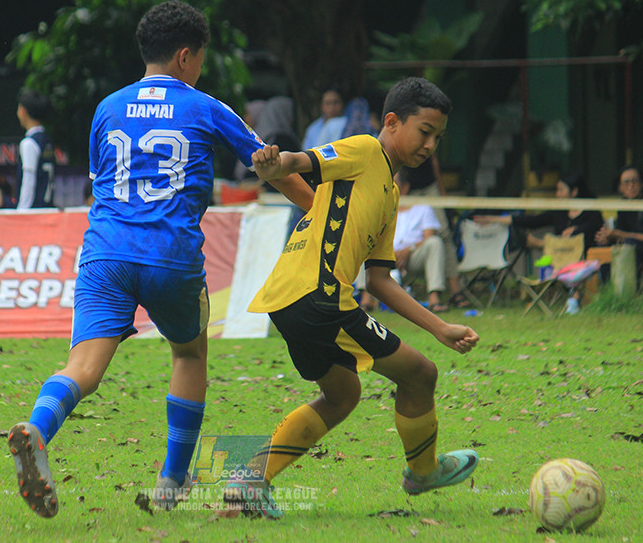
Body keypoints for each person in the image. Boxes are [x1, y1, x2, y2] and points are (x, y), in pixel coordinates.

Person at [6, 0, 313, 518]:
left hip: (105, 253)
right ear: (186, 57)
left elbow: (104, 181)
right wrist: (319, 207)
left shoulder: (107, 107)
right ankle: (172, 481)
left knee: (82, 367)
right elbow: (271, 166)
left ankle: (37, 428)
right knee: (189, 354)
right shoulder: (206, 106)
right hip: (171, 257)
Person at [222, 77, 479, 519]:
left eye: (438, 137)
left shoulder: (390, 192)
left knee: (342, 394)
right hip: (318, 299)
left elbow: (379, 280)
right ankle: (423, 471)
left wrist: (440, 327)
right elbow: (301, 160)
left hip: (290, 300)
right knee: (419, 375)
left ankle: (248, 482)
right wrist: (273, 161)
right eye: (424, 132)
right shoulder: (363, 150)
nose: (431, 145)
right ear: (393, 122)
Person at [471, 172, 604, 253]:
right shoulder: (560, 212)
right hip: (560, 258)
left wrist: (576, 229)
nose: (557, 195)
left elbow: (593, 227)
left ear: (574, 192)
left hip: (584, 259)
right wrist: (495, 219)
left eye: (561, 190)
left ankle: (541, 244)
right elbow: (533, 220)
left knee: (570, 238)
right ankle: (545, 244)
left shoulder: (591, 211)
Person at [391, 168, 466, 312]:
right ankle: (365, 301)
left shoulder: (423, 208)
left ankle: (434, 298)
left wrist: (408, 250)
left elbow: (429, 236)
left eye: (395, 185)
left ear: (405, 188)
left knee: (435, 242)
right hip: (386, 257)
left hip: (413, 257)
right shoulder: (383, 207)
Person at [594, 166, 643, 276]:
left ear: (642, 183)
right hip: (637, 250)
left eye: (634, 181)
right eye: (626, 182)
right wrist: (608, 237)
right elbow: (621, 233)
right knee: (603, 255)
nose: (631, 186)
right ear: (620, 187)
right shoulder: (624, 205)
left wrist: (617, 233)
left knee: (631, 243)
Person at [16, 87, 57, 209]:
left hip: (34, 214)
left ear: (23, 111)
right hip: (48, 209)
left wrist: (21, 213)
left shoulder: (29, 143)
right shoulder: (47, 140)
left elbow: (29, 182)